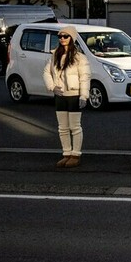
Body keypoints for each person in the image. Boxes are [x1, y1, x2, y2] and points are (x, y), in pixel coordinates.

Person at [43, 26, 91, 168]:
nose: (62, 39)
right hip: (60, 95)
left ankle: (76, 154)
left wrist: (84, 96)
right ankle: (66, 153)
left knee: (75, 126)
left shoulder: (80, 58)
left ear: (72, 38)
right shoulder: (54, 55)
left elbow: (85, 77)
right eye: (60, 36)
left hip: (74, 95)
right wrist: (52, 87)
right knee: (62, 127)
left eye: (66, 36)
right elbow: (46, 72)